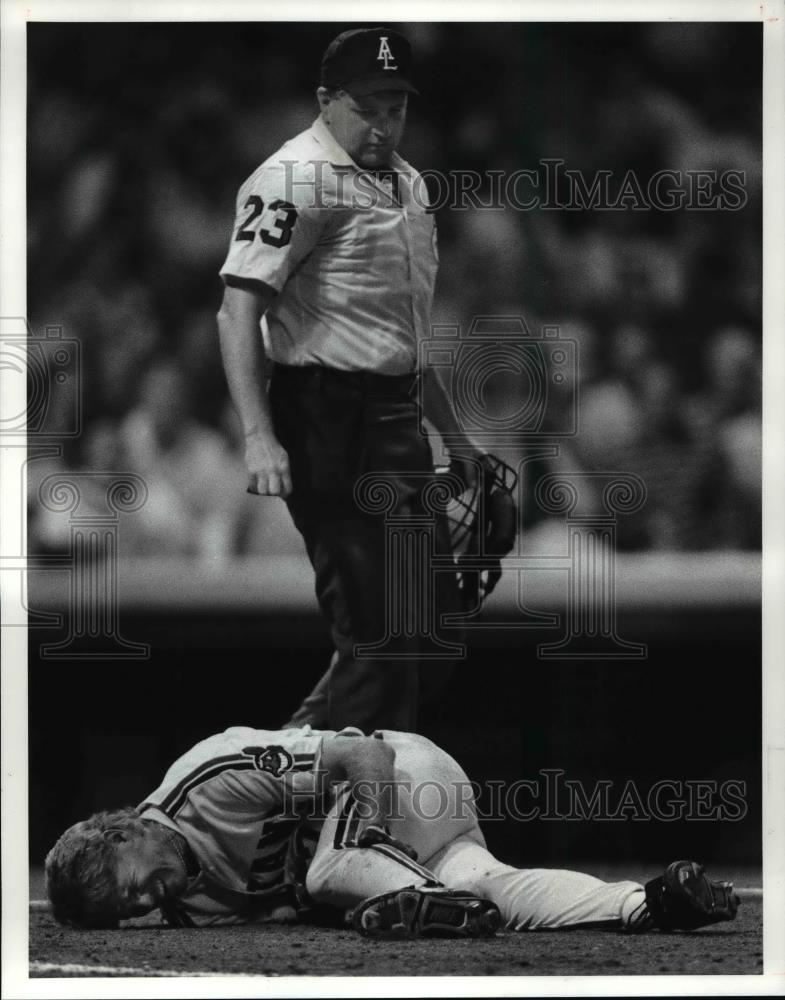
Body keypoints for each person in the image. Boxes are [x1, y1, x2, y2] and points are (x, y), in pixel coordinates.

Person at [215, 27, 482, 734]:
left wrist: (459, 442)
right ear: (326, 101)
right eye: (367, 105)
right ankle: (330, 821)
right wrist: (257, 435)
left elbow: (407, 342)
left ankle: (264, 779)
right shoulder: (291, 178)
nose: (383, 121)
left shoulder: (411, 182)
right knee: (380, 639)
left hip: (393, 418)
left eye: (395, 105)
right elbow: (237, 309)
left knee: (430, 633)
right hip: (324, 418)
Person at [45, 725, 739, 936]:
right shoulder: (178, 904)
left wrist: (372, 836)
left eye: (128, 889)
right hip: (416, 844)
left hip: (405, 770)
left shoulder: (208, 775)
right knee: (490, 882)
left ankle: (431, 901)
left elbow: (363, 756)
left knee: (327, 870)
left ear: (120, 834)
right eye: (125, 912)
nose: (142, 904)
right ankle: (647, 901)